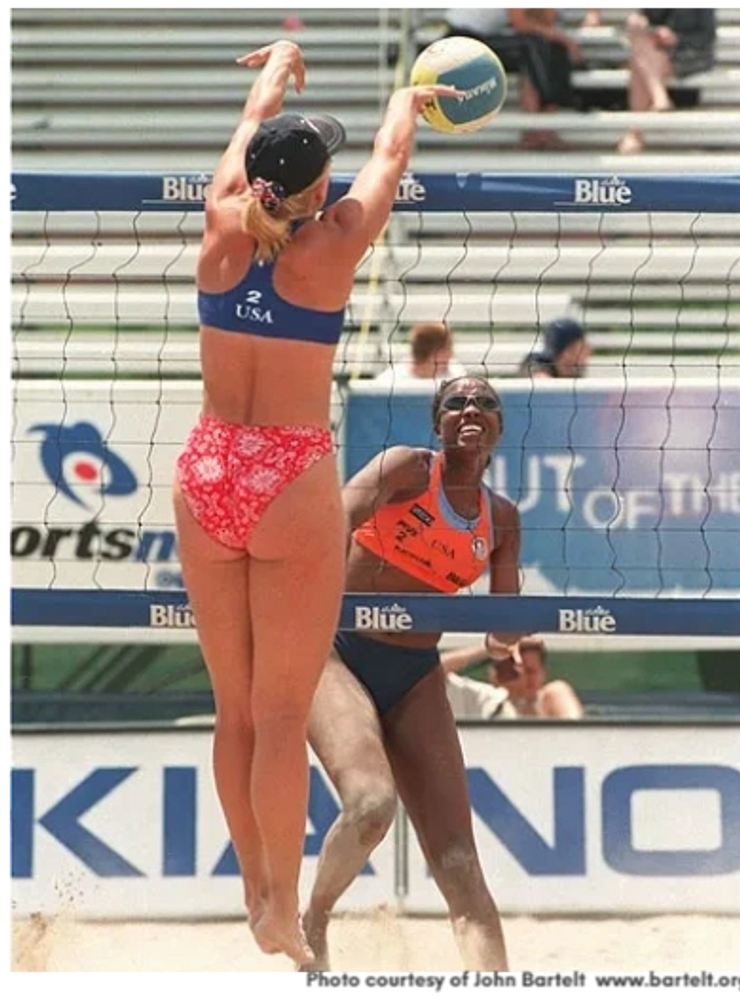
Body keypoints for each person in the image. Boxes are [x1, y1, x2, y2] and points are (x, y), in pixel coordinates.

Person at [171, 38, 461, 965]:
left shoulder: (220, 221)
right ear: (312, 192)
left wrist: (272, 71)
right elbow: (390, 158)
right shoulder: (333, 246)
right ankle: (284, 913)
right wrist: (412, 101)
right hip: (288, 476)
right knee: (282, 715)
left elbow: (247, 132)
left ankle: (255, 891)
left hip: (209, 467)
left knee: (235, 710)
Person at [301, 374, 522, 974]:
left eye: (485, 403)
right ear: (439, 423)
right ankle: (315, 919)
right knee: (372, 804)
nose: (471, 408)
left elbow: (503, 630)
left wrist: (507, 644)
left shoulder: (501, 519)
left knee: (460, 868)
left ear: (500, 428)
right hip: (337, 652)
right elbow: (329, 521)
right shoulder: (405, 469)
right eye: (457, 402)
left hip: (415, 673)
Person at [442, 6, 602, 149]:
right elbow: (521, 24)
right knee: (532, 46)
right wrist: (567, 41)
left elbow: (545, 21)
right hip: (461, 40)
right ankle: (536, 128)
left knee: (545, 48)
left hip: (480, 37)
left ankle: (542, 128)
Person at [617, 6, 717, 155]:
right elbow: (648, 20)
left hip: (689, 52)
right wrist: (641, 22)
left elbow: (707, 35)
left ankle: (635, 132)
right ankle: (660, 97)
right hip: (657, 51)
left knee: (639, 64)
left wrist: (676, 38)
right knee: (638, 41)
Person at [441, 635, 584, 719]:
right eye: (515, 669)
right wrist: (492, 649)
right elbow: (433, 672)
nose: (523, 677)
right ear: (495, 674)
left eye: (530, 671)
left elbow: (576, 732)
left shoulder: (552, 695)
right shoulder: (484, 699)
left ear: (543, 672)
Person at [372, 321, 468, 385]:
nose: (451, 355)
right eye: (448, 349)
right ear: (436, 355)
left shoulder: (456, 374)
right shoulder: (390, 381)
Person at [516, 316, 592, 378]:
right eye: (583, 346)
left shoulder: (576, 372)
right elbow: (535, 374)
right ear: (567, 352)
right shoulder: (537, 365)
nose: (588, 351)